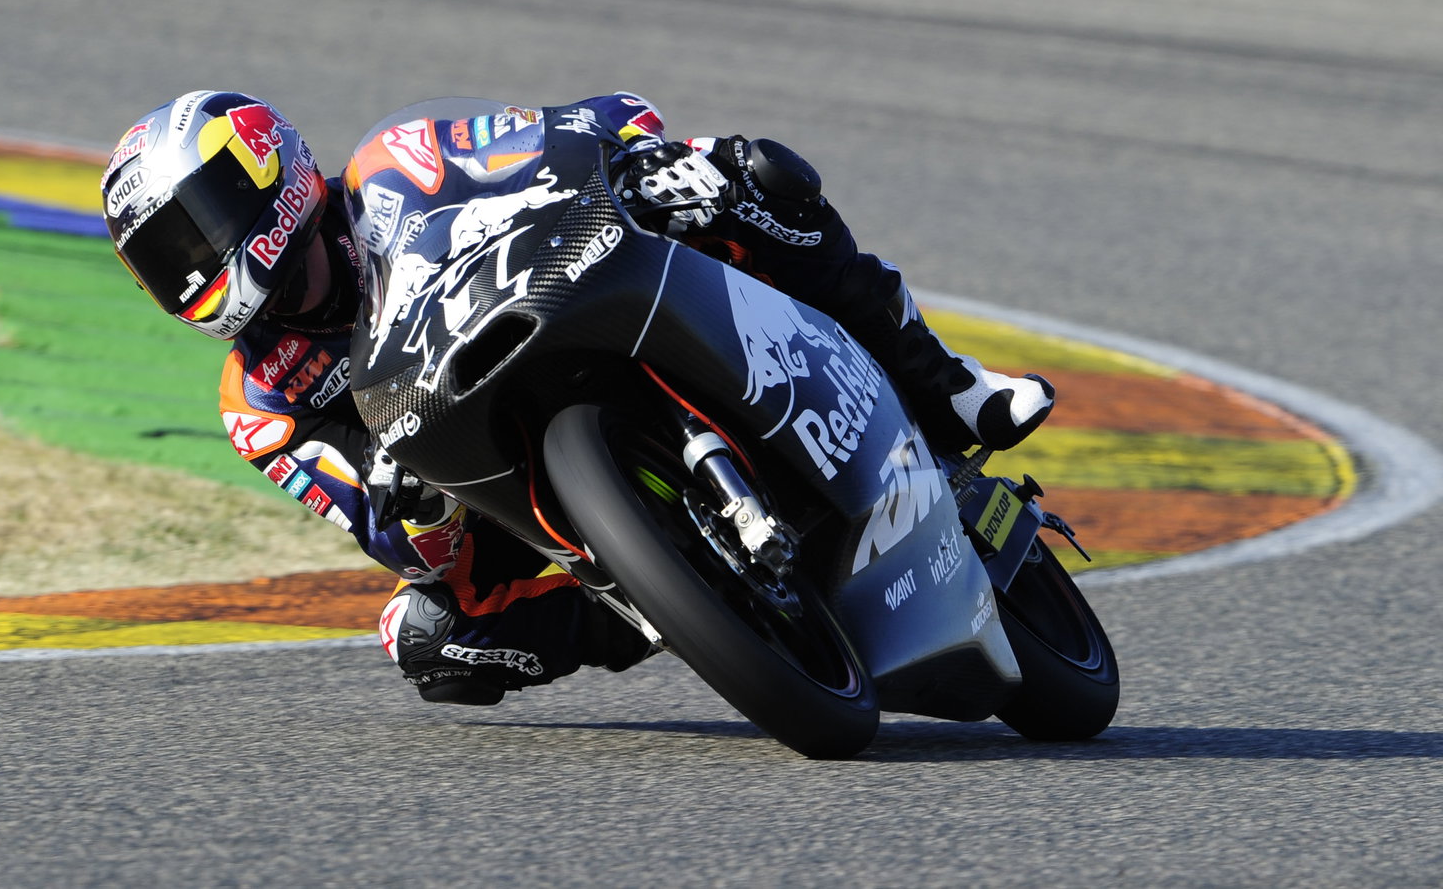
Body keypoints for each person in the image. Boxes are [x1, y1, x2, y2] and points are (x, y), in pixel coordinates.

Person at [100, 90, 1054, 706]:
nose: (193, 265)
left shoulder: (400, 166)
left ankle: (945, 388)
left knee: (755, 177)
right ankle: (670, 601)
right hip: (499, 487)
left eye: (196, 230)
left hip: (575, 293)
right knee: (425, 640)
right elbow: (383, 532)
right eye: (164, 260)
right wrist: (407, 507)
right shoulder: (259, 401)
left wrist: (648, 156)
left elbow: (576, 127)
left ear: (263, 170)